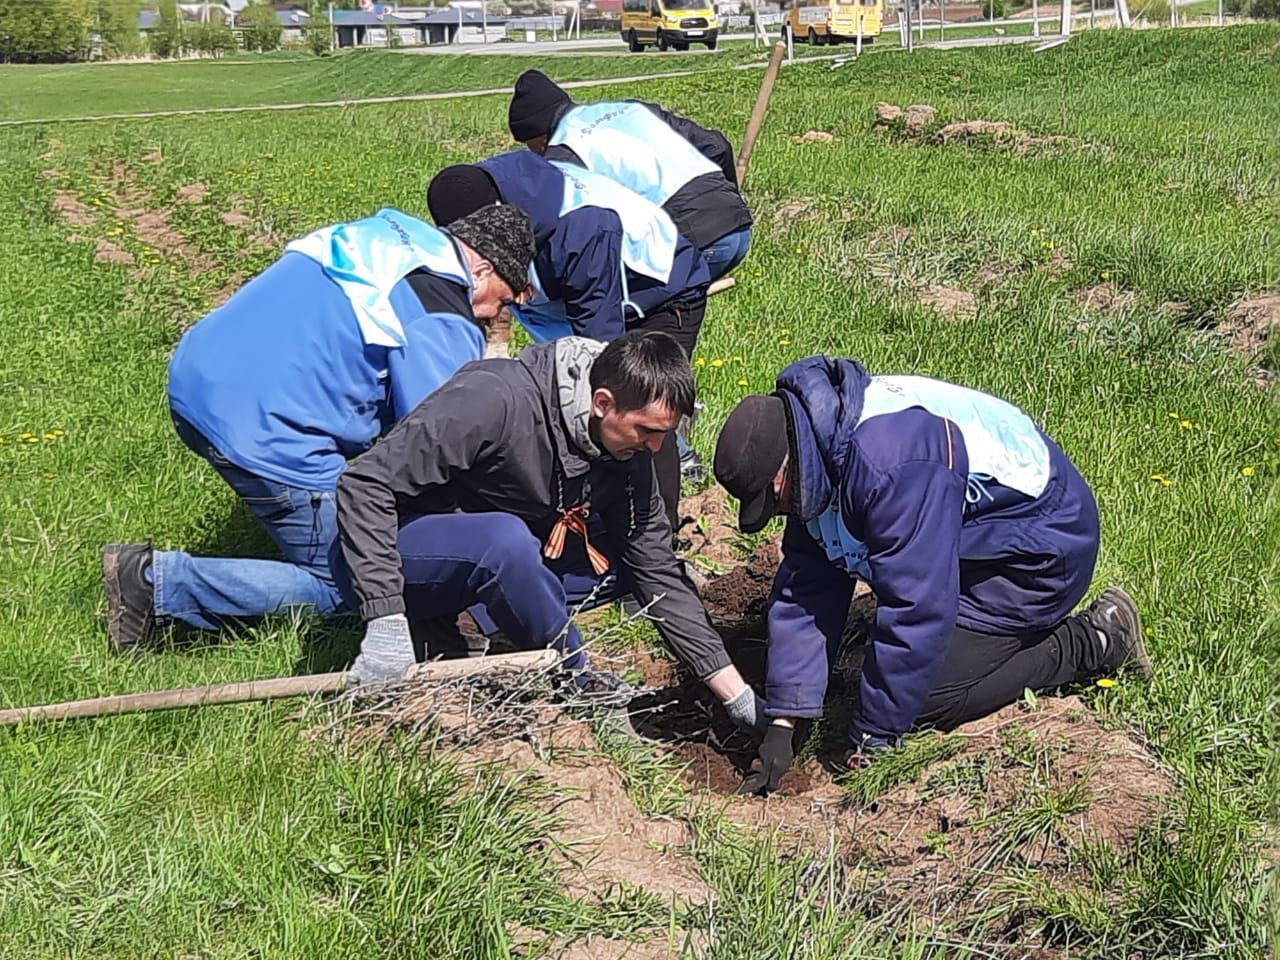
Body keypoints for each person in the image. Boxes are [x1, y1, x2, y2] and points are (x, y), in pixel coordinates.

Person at [102, 204, 536, 653]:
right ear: (481, 269)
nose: (493, 317)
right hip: (265, 428)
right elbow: (442, 436)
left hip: (196, 379)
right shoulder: (441, 309)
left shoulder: (390, 237)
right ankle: (156, 585)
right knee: (361, 580)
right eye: (503, 301)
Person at [712, 356, 1153, 794]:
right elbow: (809, 579)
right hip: (975, 536)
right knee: (890, 663)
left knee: (926, 697)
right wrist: (786, 719)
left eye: (775, 503)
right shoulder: (815, 442)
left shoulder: (890, 463)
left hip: (1040, 548)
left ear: (780, 477)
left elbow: (917, 607)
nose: (780, 514)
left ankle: (1093, 641)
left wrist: (874, 738)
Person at [336, 330, 768, 733]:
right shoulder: (494, 400)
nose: (655, 448)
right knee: (505, 541)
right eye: (648, 431)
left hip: (492, 557)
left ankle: (467, 624)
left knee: (626, 560)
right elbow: (365, 486)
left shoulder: (626, 452)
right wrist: (385, 618)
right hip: (394, 550)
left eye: (666, 435)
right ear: (602, 402)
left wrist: (737, 696)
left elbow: (656, 572)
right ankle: (574, 681)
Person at [427, 153, 710, 530]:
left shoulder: (580, 231)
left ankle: (654, 535)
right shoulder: (472, 202)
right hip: (578, 292)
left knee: (638, 407)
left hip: (659, 290)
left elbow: (602, 354)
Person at [507, 68, 754, 282]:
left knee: (623, 313)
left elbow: (567, 226)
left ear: (539, 139)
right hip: (738, 226)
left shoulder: (564, 153)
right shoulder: (632, 110)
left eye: (531, 146)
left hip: (695, 239)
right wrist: (730, 199)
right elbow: (717, 145)